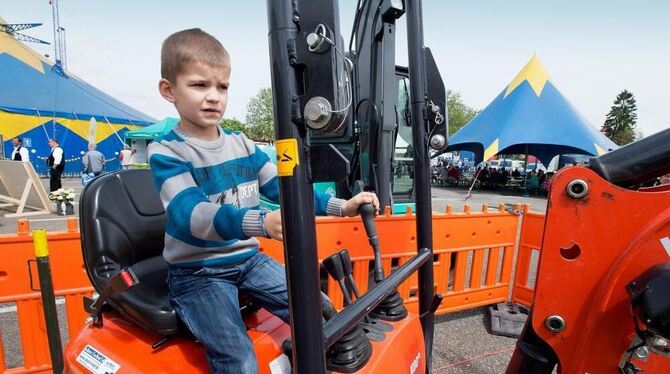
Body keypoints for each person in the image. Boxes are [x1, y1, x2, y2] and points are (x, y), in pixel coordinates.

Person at [148, 28, 380, 373]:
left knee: (320, 308)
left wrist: (341, 206)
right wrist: (259, 223)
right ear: (169, 90)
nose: (214, 97)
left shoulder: (243, 144)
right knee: (239, 358)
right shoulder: (167, 151)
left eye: (222, 87)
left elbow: (284, 187)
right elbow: (191, 215)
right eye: (199, 85)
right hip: (198, 272)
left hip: (247, 260)